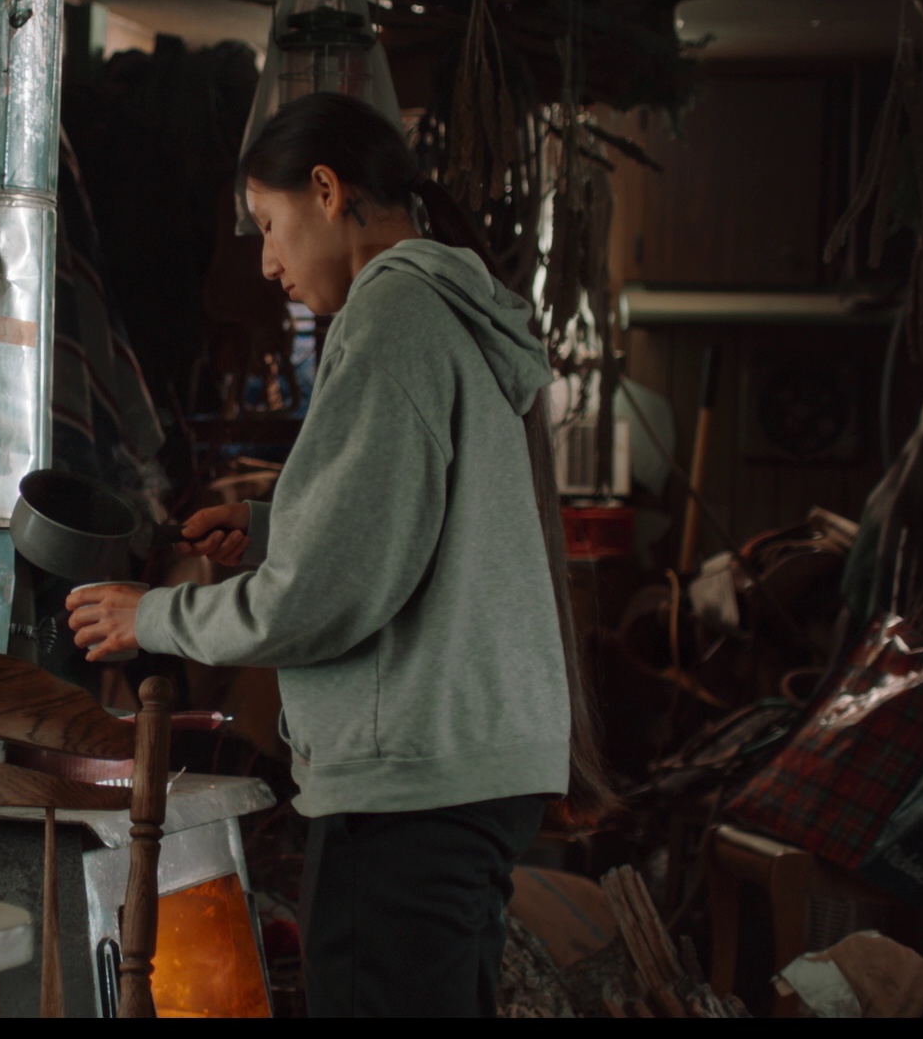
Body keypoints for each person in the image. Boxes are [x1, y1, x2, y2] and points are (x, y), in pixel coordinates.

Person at [65, 92, 613, 1017]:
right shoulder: (455, 308)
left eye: (269, 226)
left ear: (326, 191)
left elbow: (328, 594)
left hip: (412, 782)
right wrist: (274, 529)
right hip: (472, 764)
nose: (267, 261)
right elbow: (417, 522)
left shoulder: (393, 312)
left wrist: (151, 616)